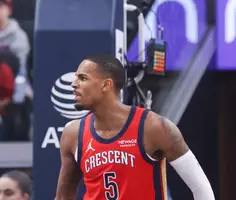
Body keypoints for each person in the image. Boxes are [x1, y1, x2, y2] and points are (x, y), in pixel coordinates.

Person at [55, 55, 215, 200]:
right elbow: (63, 197)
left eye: (82, 78)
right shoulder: (73, 133)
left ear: (106, 85)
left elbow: (202, 189)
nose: (73, 84)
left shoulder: (155, 127)